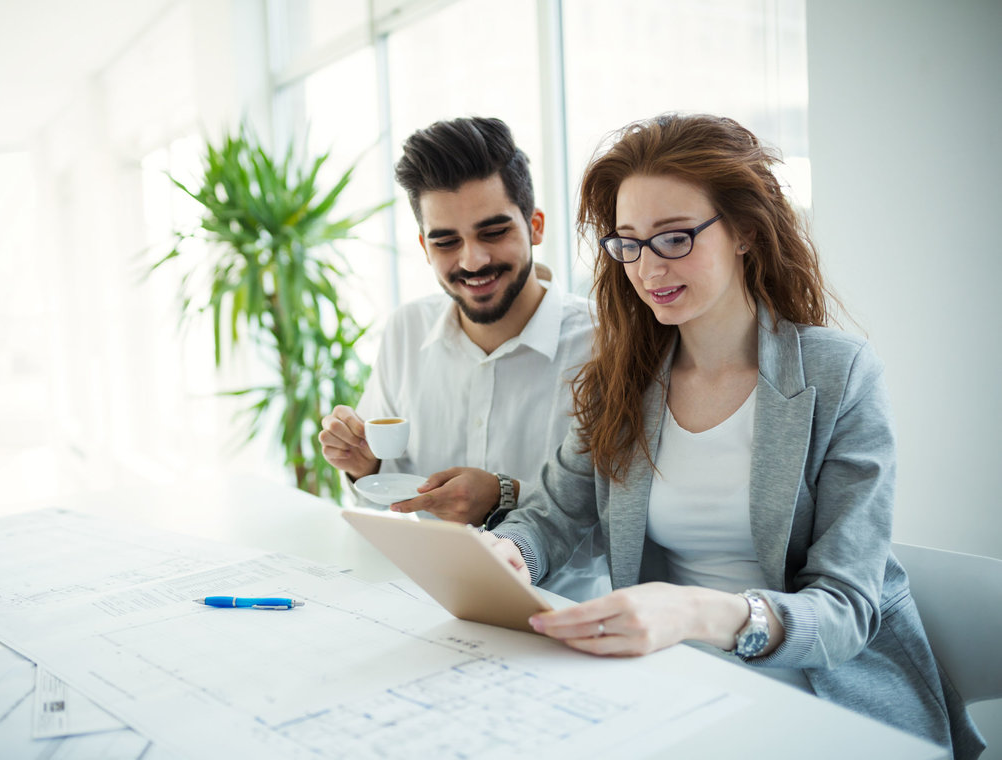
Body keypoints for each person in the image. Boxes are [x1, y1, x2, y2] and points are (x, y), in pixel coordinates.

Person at [484, 113, 984, 757]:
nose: (647, 268)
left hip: (824, 687)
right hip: (678, 679)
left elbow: (846, 608)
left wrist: (695, 612)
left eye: (674, 238)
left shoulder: (839, 375)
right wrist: (512, 554)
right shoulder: (623, 382)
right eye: (628, 243)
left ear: (746, 231)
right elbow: (551, 515)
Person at [319, 116, 609, 601]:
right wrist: (363, 467)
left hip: (563, 610)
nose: (472, 261)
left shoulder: (604, 346)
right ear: (423, 246)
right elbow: (389, 487)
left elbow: (618, 529)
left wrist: (503, 497)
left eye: (492, 232)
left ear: (534, 226)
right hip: (421, 597)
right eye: (446, 241)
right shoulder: (405, 331)